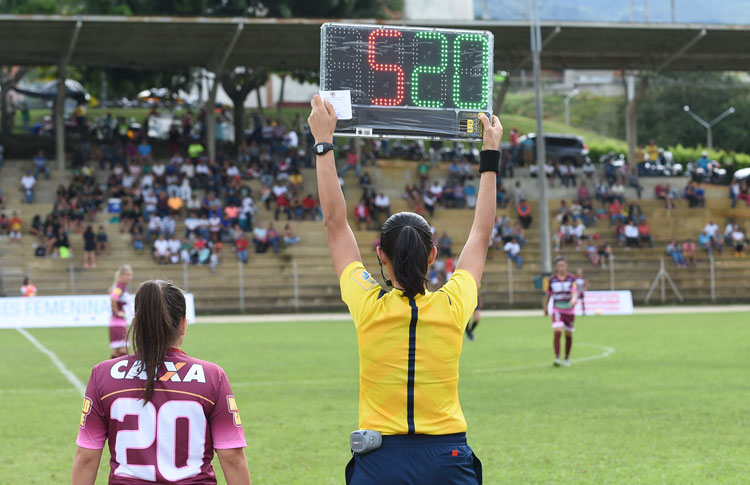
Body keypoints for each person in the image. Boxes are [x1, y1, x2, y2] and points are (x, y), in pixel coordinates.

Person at [308, 95, 498, 485]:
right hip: (448, 457)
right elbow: (481, 233)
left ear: (381, 255)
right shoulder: (454, 302)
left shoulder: (367, 303)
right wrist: (490, 154)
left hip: (381, 461)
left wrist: (324, 143)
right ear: (433, 256)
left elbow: (334, 224)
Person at [72, 280, 252, 485]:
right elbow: (232, 458)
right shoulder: (212, 376)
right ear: (183, 325)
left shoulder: (103, 374)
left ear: (136, 324)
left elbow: (86, 458)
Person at [543, 257, 578, 367]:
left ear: (566, 266)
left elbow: (574, 292)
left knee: (568, 335)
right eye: (559, 265)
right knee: (557, 332)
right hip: (557, 309)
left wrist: (573, 299)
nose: (561, 267)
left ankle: (566, 358)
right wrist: (545, 308)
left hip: (569, 311)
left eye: (563, 265)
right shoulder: (552, 279)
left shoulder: (572, 278)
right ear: (556, 267)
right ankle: (557, 358)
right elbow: (548, 294)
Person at [108, 265, 132, 359]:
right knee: (124, 352)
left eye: (131, 275)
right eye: (127, 275)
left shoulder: (121, 287)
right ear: (121, 276)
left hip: (115, 323)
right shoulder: (120, 287)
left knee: (117, 353)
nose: (130, 277)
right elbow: (113, 298)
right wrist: (117, 312)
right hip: (119, 323)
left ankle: (109, 372)